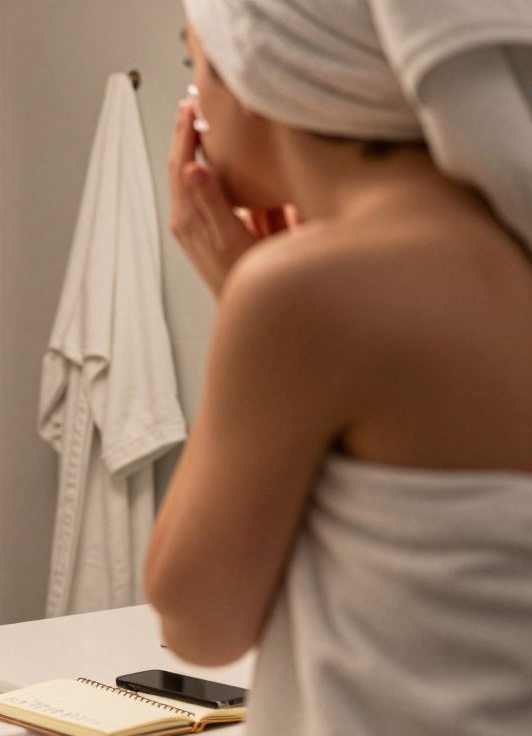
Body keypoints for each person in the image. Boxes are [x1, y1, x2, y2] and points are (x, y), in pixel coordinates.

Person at [144, 1, 532, 732]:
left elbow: (197, 624)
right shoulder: (509, 256)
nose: (192, 105)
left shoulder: (305, 293)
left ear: (261, 71)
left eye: (193, 63)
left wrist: (243, 304)